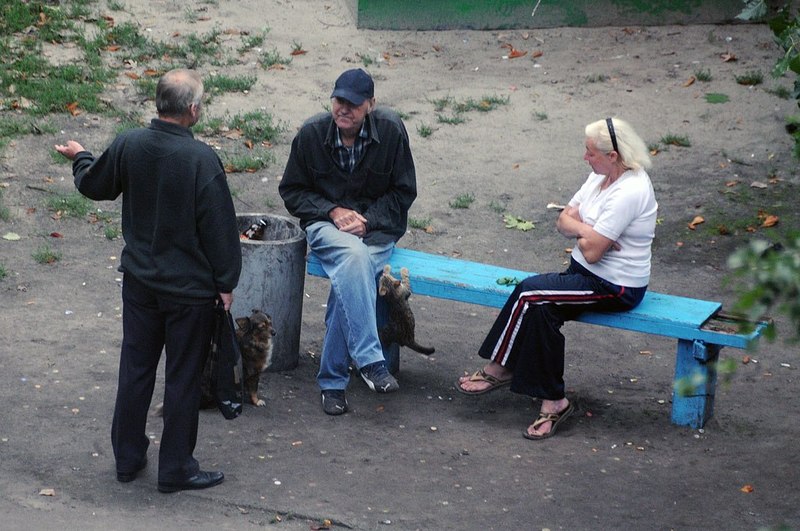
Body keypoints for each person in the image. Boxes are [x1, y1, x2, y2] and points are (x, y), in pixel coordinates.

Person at [55, 69, 242, 491]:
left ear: (159, 103)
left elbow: (94, 184)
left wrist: (82, 156)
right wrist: (226, 283)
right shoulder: (201, 160)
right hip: (189, 294)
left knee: (135, 370)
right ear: (193, 110)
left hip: (140, 284)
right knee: (182, 377)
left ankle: (127, 458)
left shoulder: (129, 144)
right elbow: (220, 231)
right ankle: (175, 467)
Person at [456, 117, 657, 440]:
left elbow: (592, 253)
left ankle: (500, 367)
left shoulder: (630, 191)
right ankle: (555, 401)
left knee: (529, 292)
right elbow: (563, 221)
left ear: (613, 156)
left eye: (590, 152)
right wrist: (587, 230)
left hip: (614, 286)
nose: (584, 157)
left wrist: (584, 233)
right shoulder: (598, 178)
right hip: (583, 275)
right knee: (541, 310)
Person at [279, 68, 417, 415]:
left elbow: (403, 193)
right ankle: (371, 360)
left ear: (371, 104)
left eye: (353, 104)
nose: (344, 109)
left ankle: (332, 382)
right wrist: (332, 211)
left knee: (351, 274)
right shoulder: (311, 134)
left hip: (376, 230)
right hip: (327, 227)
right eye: (339, 100)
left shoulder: (390, 130)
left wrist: (367, 220)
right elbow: (292, 192)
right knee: (353, 260)